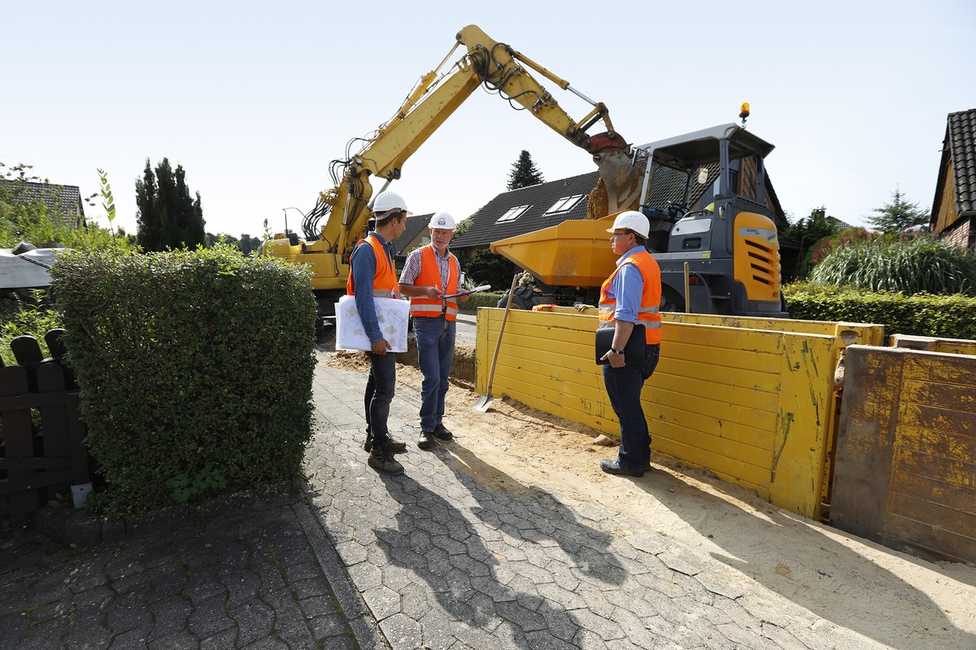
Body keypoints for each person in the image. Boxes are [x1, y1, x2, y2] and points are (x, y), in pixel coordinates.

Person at [347, 190, 410, 475]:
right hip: (377, 334)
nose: (405, 226)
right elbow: (363, 298)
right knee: (385, 389)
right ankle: (378, 451)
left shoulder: (384, 248)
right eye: (404, 220)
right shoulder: (367, 249)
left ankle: (375, 436)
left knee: (376, 385)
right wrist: (375, 338)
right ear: (394, 218)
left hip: (384, 331)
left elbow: (382, 290)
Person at [597, 210, 663, 477]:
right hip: (646, 346)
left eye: (616, 235)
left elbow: (625, 315)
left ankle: (631, 461)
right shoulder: (647, 262)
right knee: (630, 403)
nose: (612, 240)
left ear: (632, 237)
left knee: (626, 406)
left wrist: (616, 350)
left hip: (629, 348)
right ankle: (639, 454)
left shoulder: (630, 267)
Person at [399, 212, 467, 450]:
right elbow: (403, 287)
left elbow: (454, 289)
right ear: (430, 231)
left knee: (444, 378)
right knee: (432, 378)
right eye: (436, 231)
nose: (440, 236)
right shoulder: (417, 256)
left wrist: (464, 294)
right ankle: (426, 428)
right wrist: (425, 291)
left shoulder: (454, 261)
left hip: (448, 323)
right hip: (426, 324)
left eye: (444, 232)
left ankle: (437, 423)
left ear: (451, 234)